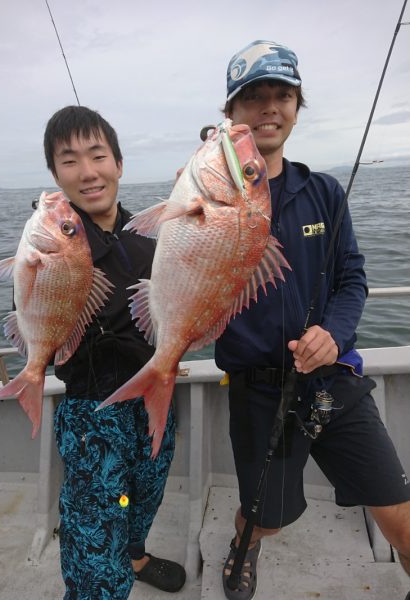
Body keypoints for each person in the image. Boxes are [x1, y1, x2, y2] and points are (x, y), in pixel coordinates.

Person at [213, 40, 410, 600]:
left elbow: (353, 278)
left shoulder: (323, 192)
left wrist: (335, 333)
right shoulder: (211, 195)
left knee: (399, 514)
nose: (269, 107)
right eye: (253, 97)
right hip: (256, 390)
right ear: (231, 114)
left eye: (283, 95)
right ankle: (245, 544)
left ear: (298, 107)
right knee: (266, 520)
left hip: (331, 380)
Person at [43, 105, 186, 599]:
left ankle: (137, 552)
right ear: (55, 174)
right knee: (95, 563)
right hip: (92, 415)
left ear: (119, 164)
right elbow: (34, 320)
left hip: (157, 398)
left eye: (98, 155)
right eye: (69, 160)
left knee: (145, 495)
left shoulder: (155, 235)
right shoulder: (51, 245)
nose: (88, 172)